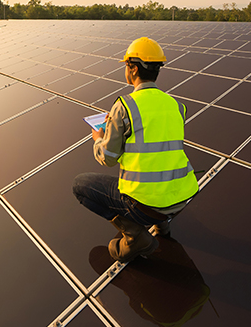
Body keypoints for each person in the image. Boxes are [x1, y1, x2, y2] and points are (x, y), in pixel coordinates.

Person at [73, 37, 198, 263]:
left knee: (80, 185)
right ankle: (162, 228)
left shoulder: (125, 106)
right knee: (157, 174)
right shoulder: (177, 106)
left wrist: (99, 138)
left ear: (132, 68)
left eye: (126, 66)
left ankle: (134, 236)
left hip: (143, 205)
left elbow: (108, 158)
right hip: (181, 199)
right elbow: (158, 148)